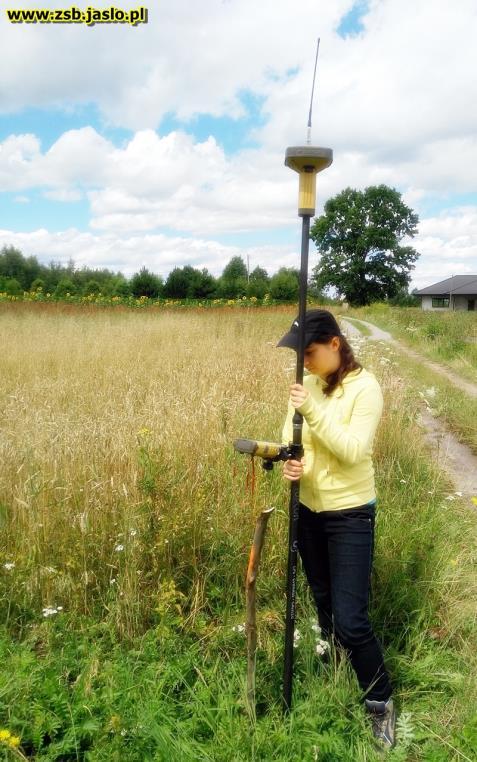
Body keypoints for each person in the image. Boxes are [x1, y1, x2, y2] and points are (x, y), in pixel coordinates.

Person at [278, 309, 396, 750]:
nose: (303, 362)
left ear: (334, 344)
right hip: (308, 509)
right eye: (299, 355)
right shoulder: (305, 384)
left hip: (349, 515)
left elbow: (351, 451)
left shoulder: (365, 389)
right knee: (323, 606)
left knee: (351, 619)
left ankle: (381, 703)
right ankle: (337, 676)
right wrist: (289, 464)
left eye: (309, 352)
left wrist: (309, 409)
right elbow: (295, 444)